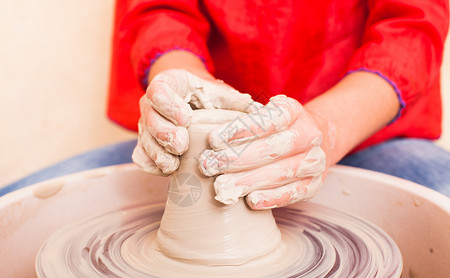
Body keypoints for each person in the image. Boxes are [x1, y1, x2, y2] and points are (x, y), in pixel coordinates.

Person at [1, 0, 450, 201]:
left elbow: (411, 24)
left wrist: (326, 130)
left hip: (362, 133)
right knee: (16, 211)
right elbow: (159, 10)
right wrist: (182, 86)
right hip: (203, 149)